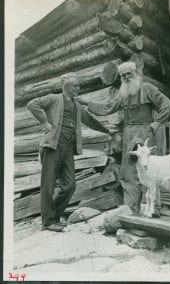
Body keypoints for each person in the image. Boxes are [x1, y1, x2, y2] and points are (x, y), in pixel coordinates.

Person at [78, 62, 170, 216]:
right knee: (128, 171)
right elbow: (107, 108)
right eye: (123, 75)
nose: (127, 77)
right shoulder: (122, 94)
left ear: (136, 73)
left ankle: (153, 208)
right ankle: (131, 209)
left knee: (149, 169)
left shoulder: (147, 89)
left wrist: (156, 123)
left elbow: (166, 104)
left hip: (145, 132)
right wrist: (86, 102)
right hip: (128, 134)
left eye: (129, 74)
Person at [27, 73, 110, 232]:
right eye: (75, 86)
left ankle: (54, 217)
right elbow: (32, 104)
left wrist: (107, 131)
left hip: (67, 150)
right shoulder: (54, 98)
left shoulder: (77, 106)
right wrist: (44, 122)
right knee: (48, 185)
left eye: (79, 85)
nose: (78, 88)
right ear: (65, 87)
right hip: (52, 146)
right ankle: (48, 222)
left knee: (70, 185)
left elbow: (90, 121)